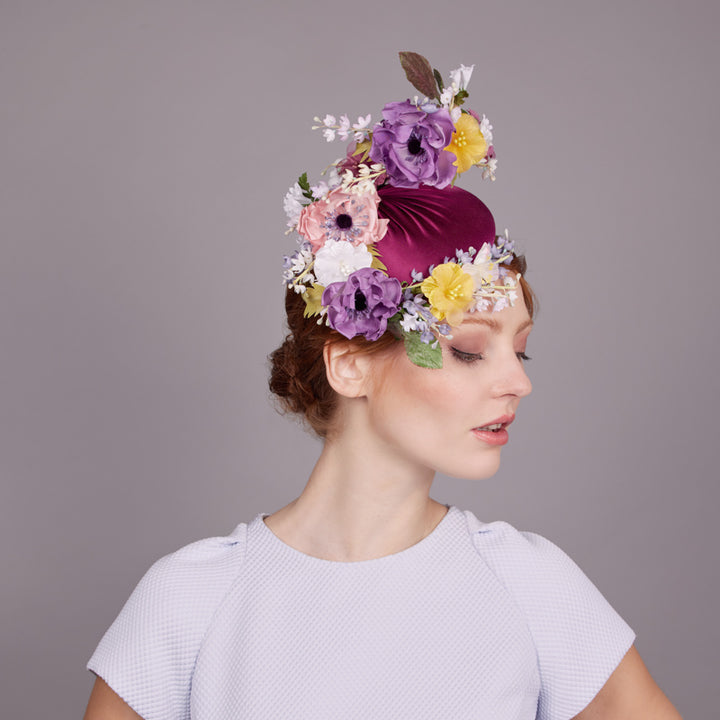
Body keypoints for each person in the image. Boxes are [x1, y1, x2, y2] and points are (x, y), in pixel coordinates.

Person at [83, 53, 681, 719]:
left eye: (522, 354)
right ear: (349, 363)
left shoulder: (532, 588)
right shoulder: (188, 600)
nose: (517, 383)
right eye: (468, 350)